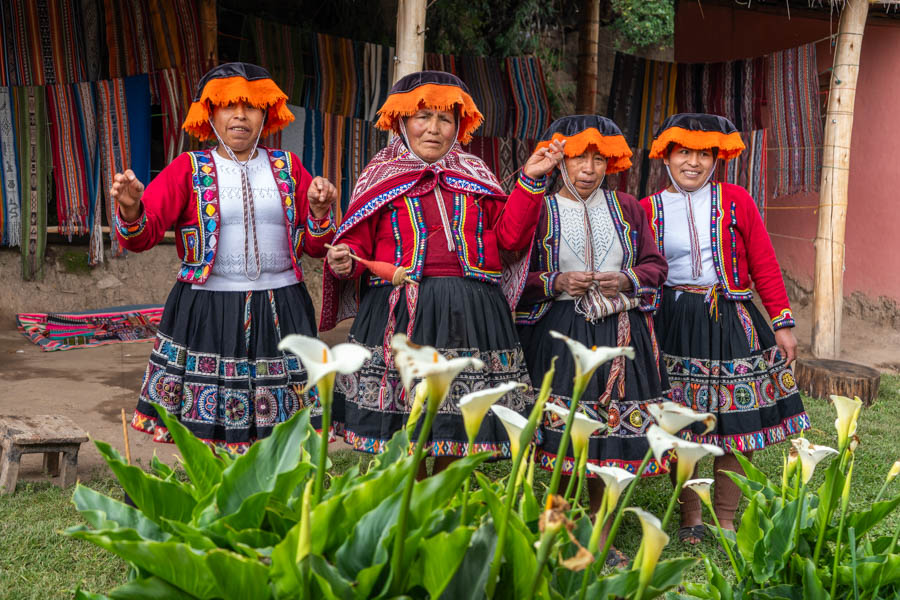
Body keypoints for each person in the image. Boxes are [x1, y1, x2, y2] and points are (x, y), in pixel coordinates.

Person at [321, 70, 564, 475]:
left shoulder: (476, 174)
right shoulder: (379, 175)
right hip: (401, 312)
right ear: (402, 121)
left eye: (445, 119)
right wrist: (345, 258)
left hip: (471, 314)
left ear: (458, 125)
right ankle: (409, 509)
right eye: (423, 116)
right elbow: (356, 244)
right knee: (406, 424)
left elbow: (511, 240)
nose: (434, 128)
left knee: (459, 419)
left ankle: (444, 500)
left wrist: (530, 181)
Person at [112, 62, 338, 453]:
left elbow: (317, 247)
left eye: (250, 107)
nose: (239, 116)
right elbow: (141, 238)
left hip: (282, 305)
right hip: (208, 309)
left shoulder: (287, 168)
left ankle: (274, 498)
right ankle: (218, 497)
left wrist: (319, 211)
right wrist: (132, 209)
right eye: (228, 106)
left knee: (283, 428)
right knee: (211, 424)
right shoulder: (188, 169)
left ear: (265, 114)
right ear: (209, 114)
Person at [641, 113, 809, 542]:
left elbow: (764, 263)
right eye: (683, 152)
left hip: (731, 316)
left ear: (716, 158)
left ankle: (728, 518)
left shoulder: (736, 200)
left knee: (737, 422)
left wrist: (782, 323)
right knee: (683, 423)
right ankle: (691, 518)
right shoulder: (647, 209)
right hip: (674, 321)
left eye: (703, 153)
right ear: (667, 156)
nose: (693, 162)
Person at [515, 116, 669, 564]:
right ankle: (559, 521)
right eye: (580, 156)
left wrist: (625, 278)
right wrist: (556, 279)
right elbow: (511, 272)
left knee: (607, 436)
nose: (589, 167)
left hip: (619, 333)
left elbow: (656, 266)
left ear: (611, 162)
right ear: (560, 158)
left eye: (599, 158)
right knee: (561, 431)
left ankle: (600, 532)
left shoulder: (627, 207)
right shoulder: (540, 208)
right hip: (558, 334)